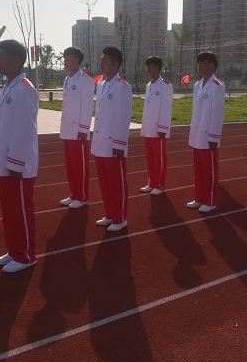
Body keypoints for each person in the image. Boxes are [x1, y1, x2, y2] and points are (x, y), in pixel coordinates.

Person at [0, 40, 38, 273]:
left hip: (16, 164)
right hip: (4, 158)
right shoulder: (9, 86)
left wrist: (16, 163)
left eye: (2, 57)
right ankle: (14, 249)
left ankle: (26, 255)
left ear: (16, 61)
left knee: (20, 210)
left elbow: (25, 128)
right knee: (9, 210)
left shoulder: (25, 89)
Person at [91, 47, 132, 232]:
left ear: (115, 64)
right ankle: (109, 213)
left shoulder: (122, 86)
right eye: (101, 59)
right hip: (100, 141)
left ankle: (120, 218)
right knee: (105, 182)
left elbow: (123, 117)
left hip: (113, 141)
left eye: (105, 60)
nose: (101, 62)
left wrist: (119, 144)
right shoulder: (101, 84)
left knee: (116, 183)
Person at [186, 51, 225, 213]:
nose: (200, 66)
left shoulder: (217, 86)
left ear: (213, 66)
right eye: (199, 63)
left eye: (204, 63)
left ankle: (210, 200)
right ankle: (199, 197)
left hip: (208, 134)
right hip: (197, 132)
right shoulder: (197, 85)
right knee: (199, 170)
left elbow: (217, 113)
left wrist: (214, 136)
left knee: (209, 170)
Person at [59, 47, 94, 209]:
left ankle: (82, 196)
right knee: (71, 166)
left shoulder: (85, 80)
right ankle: (74, 193)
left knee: (80, 165)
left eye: (68, 58)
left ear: (76, 60)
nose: (65, 61)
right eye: (64, 58)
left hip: (78, 130)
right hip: (67, 128)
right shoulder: (68, 78)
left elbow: (87, 106)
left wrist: (84, 128)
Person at [139, 55, 173, 196]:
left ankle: (159, 184)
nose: (148, 69)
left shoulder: (165, 85)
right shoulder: (149, 85)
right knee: (150, 158)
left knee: (159, 158)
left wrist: (163, 127)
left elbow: (166, 108)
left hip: (158, 128)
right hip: (148, 127)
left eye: (151, 66)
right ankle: (152, 182)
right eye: (147, 66)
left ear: (158, 67)